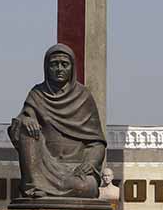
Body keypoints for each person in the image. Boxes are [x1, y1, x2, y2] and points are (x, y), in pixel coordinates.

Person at [8, 44, 106, 199]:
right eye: (54, 64)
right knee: (23, 129)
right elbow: (21, 121)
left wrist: (91, 162)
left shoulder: (84, 96)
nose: (59, 68)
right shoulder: (37, 94)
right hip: (43, 166)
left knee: (85, 186)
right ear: (46, 68)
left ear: (72, 68)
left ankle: (47, 189)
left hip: (74, 169)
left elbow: (97, 143)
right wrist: (26, 119)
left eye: (64, 64)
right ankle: (35, 185)